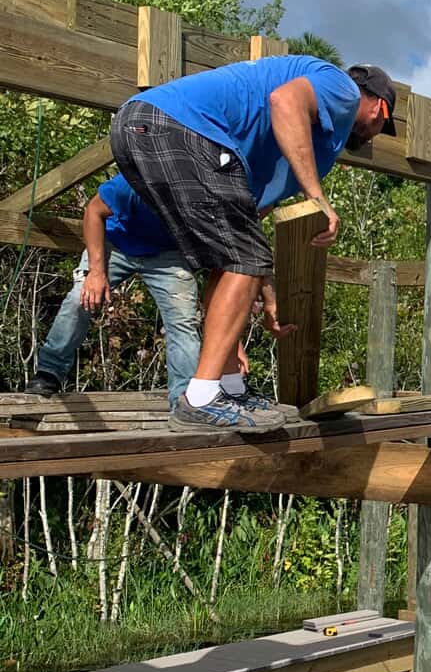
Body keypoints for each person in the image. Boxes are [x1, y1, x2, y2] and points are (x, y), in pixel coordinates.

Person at [109, 55, 396, 432]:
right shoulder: (341, 88)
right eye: (381, 126)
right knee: (243, 257)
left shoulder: (277, 150)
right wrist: (317, 198)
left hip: (145, 129)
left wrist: (265, 293)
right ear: (379, 107)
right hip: (178, 129)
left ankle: (227, 388)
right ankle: (201, 398)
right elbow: (285, 101)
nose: (373, 134)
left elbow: (239, 249)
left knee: (233, 258)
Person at [25, 175, 201, 409]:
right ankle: (49, 372)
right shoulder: (134, 179)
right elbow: (93, 211)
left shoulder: (204, 187)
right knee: (80, 298)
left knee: (183, 321)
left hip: (169, 253)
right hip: (115, 243)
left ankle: (185, 399)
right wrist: (96, 273)